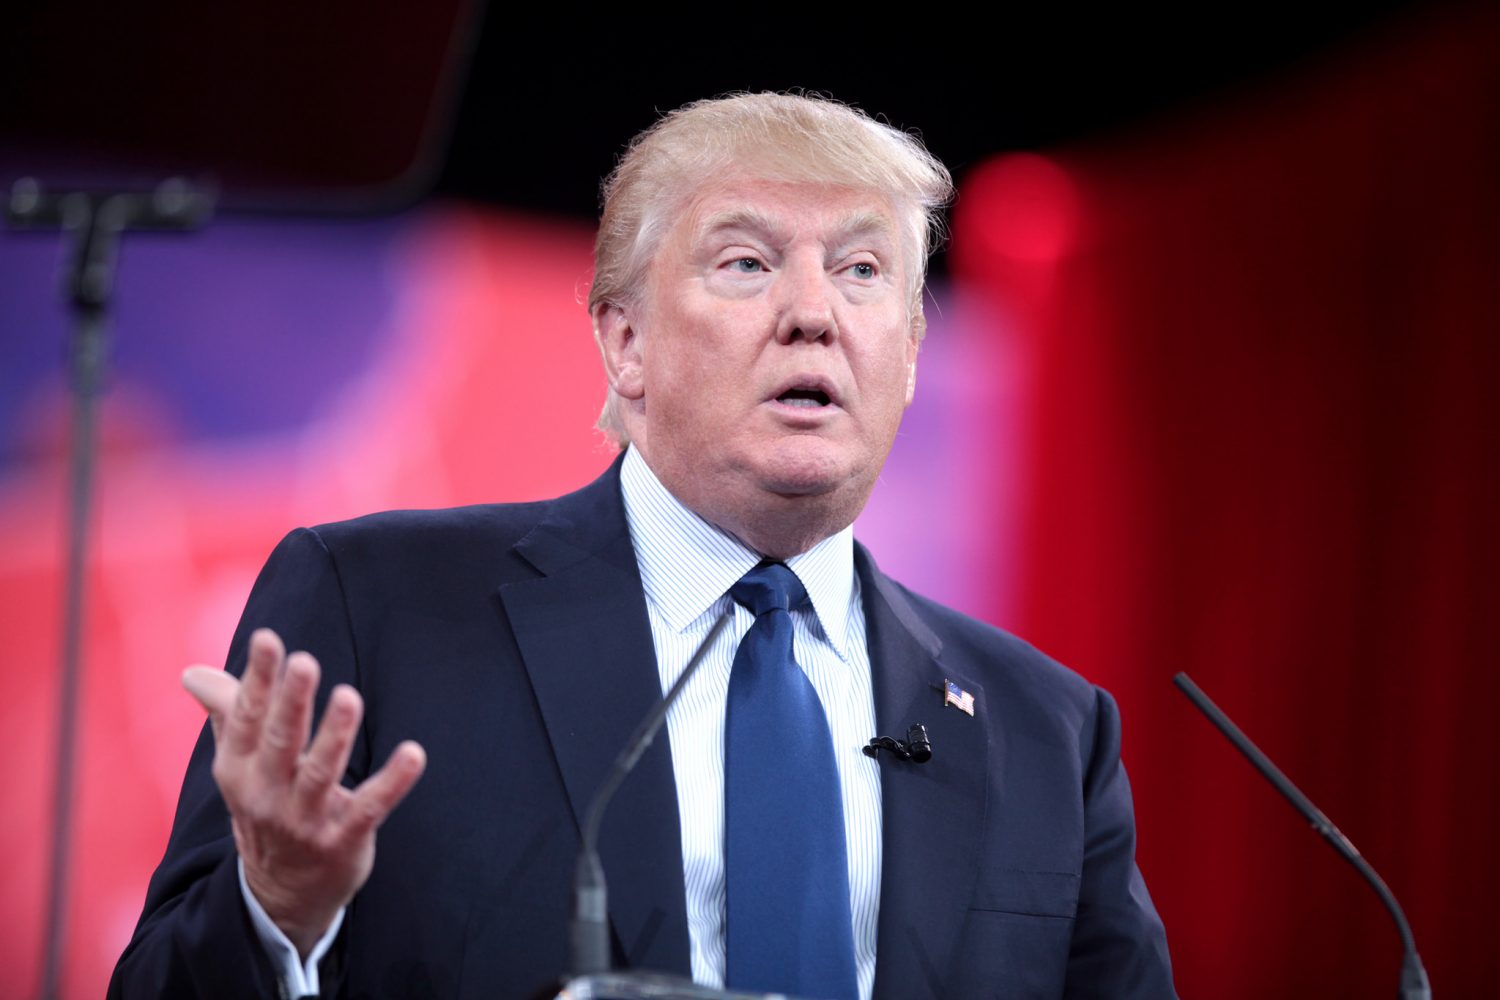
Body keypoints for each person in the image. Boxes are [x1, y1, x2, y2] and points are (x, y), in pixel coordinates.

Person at [110, 92, 1176, 1000]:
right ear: (625, 344)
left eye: (862, 270)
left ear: (907, 354)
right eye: (749, 262)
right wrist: (276, 912)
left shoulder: (1046, 728)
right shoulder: (378, 608)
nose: (815, 314)